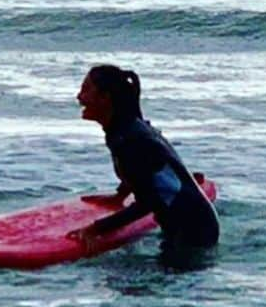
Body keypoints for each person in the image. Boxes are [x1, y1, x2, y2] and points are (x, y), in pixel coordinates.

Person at [71, 64, 219, 253]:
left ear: (105, 98)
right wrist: (120, 196)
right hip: (194, 222)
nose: (79, 97)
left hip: (193, 233)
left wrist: (95, 229)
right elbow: (143, 174)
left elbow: (147, 203)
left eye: (86, 90)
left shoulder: (132, 141)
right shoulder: (124, 129)